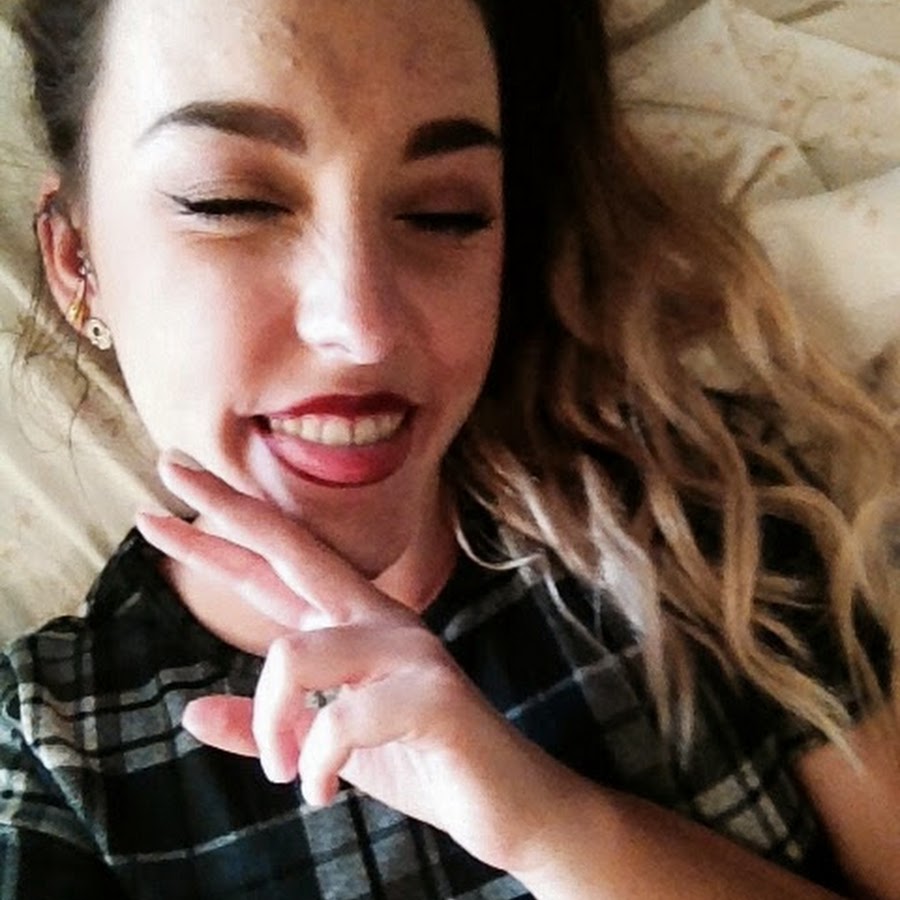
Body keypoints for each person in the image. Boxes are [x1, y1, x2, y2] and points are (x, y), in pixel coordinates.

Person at [1, 0, 899, 897]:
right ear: (76, 260)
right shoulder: (53, 754)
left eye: (444, 213)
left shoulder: (705, 518)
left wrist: (561, 832)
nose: (364, 327)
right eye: (230, 201)